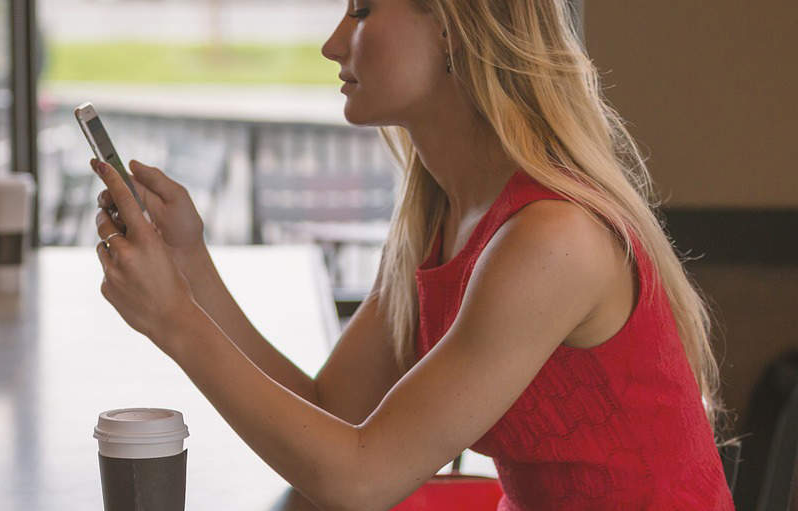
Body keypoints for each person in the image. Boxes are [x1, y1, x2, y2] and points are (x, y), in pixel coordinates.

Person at [89, 0, 733, 509]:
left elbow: (362, 480)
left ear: (453, 27)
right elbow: (334, 414)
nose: (333, 43)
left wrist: (174, 321)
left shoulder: (552, 240)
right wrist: (190, 268)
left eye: (364, 9)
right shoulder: (442, 219)